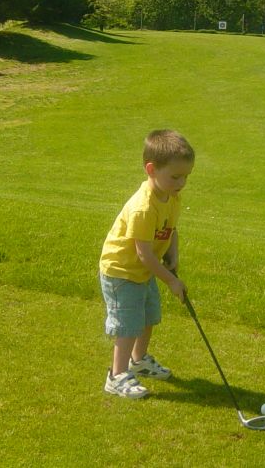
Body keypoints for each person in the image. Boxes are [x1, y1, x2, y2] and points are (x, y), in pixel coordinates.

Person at [99, 129, 194, 398]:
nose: (181, 182)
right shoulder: (143, 207)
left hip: (144, 270)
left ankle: (138, 361)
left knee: (148, 316)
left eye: (186, 176)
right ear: (151, 169)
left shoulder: (172, 196)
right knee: (128, 323)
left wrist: (174, 255)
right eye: (175, 176)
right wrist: (171, 280)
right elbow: (144, 254)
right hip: (122, 271)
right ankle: (116, 376)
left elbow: (171, 229)